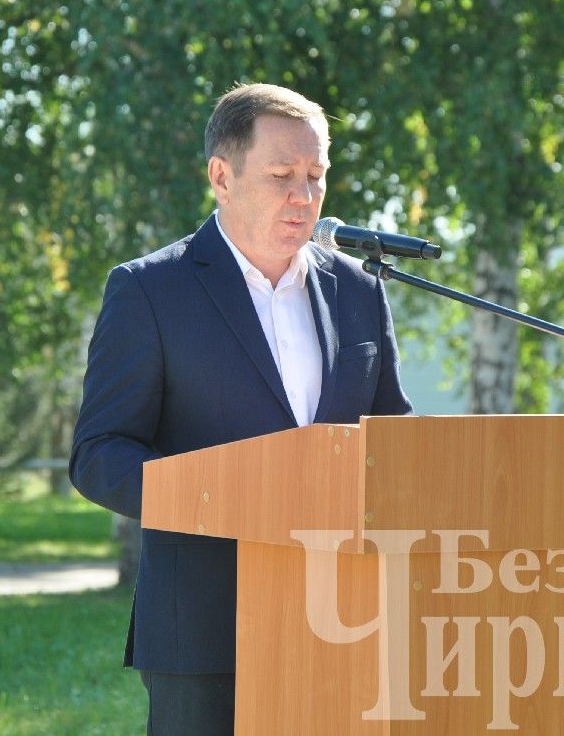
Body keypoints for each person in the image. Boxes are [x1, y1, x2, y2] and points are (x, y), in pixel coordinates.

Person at [69, 82, 412, 735]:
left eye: (316, 176)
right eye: (282, 175)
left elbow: (392, 437)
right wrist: (217, 496)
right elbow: (98, 452)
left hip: (344, 618)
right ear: (221, 176)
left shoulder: (361, 293)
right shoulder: (149, 291)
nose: (304, 196)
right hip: (204, 629)